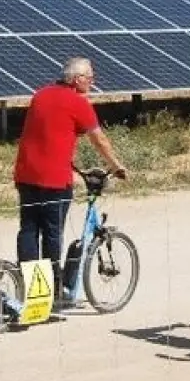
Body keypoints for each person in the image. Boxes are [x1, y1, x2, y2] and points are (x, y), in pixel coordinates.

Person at [12, 56, 127, 305]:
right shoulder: (78, 103)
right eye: (89, 77)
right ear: (76, 80)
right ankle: (52, 292)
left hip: (25, 174)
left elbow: (48, 132)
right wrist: (116, 166)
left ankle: (28, 285)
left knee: (29, 229)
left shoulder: (40, 94)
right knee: (52, 234)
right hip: (53, 179)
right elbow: (100, 140)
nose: (93, 82)